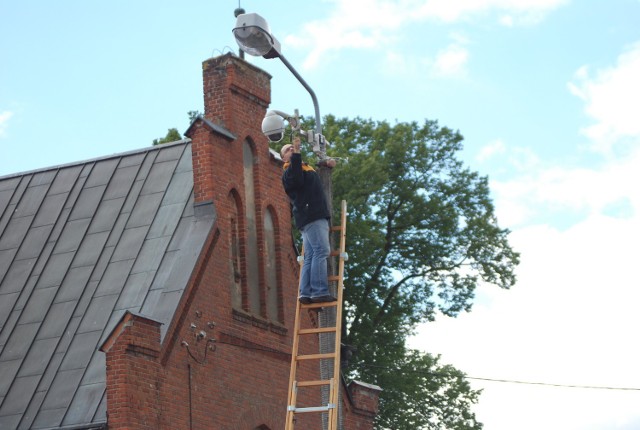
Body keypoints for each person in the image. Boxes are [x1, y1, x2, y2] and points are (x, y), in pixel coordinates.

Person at [281, 136, 336, 304]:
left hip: (309, 215)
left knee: (311, 255)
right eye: (287, 150)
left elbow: (306, 180)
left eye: (292, 148)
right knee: (321, 251)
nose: (291, 149)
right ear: (283, 158)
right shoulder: (289, 171)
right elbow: (296, 177)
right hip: (312, 214)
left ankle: (305, 292)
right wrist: (296, 152)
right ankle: (319, 291)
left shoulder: (304, 168)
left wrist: (325, 165)